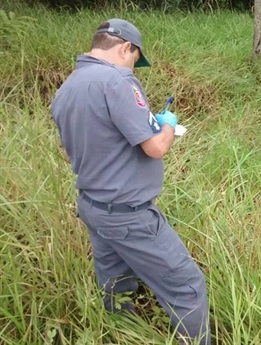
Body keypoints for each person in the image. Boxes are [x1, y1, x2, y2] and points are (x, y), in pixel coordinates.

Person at [51, 18, 210, 344]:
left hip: (93, 207)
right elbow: (156, 147)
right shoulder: (119, 82)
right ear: (126, 48)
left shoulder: (67, 88)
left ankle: (123, 333)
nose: (134, 68)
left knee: (115, 281)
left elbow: (69, 154)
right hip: (129, 214)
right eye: (135, 60)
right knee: (187, 287)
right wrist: (167, 125)